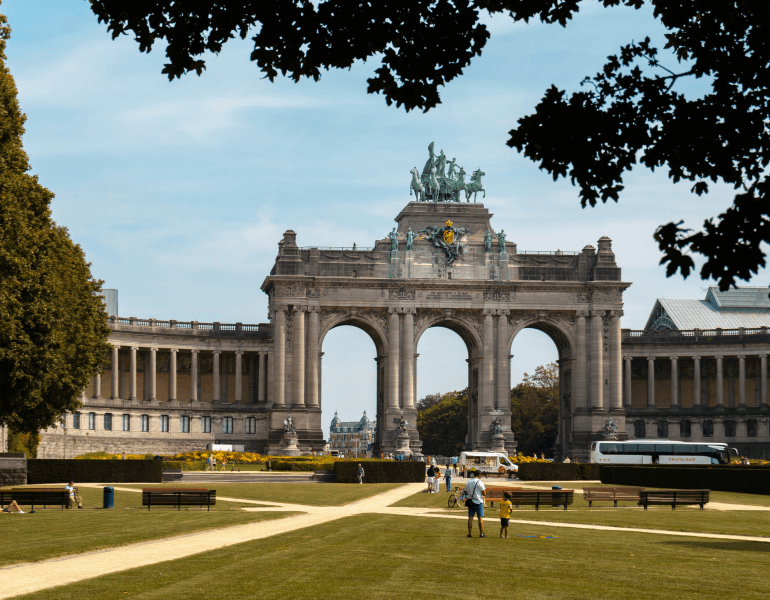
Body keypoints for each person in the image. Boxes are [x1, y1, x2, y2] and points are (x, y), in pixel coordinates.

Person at [463, 471, 486, 537]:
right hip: (479, 502)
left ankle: (469, 533)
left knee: (470, 518)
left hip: (471, 502)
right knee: (480, 518)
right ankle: (481, 534)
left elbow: (465, 492)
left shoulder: (469, 482)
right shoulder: (480, 482)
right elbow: (484, 493)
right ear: (479, 475)